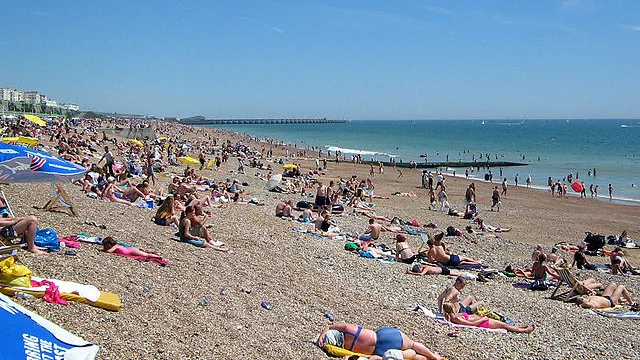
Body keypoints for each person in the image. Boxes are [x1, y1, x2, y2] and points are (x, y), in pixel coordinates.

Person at [316, 323, 444, 360]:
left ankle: (431, 358)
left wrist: (321, 338)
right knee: (413, 344)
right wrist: (322, 335)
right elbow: (331, 326)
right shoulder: (349, 329)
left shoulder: (345, 346)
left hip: (378, 350)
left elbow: (330, 328)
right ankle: (433, 356)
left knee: (412, 355)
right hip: (383, 336)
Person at [442, 302, 534, 333]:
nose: (455, 306)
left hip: (482, 320)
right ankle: (524, 330)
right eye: (453, 306)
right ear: (451, 308)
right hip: (483, 322)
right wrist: (483, 318)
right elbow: (471, 324)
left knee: (504, 324)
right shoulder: (456, 318)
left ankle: (520, 327)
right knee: (505, 326)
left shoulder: (454, 316)